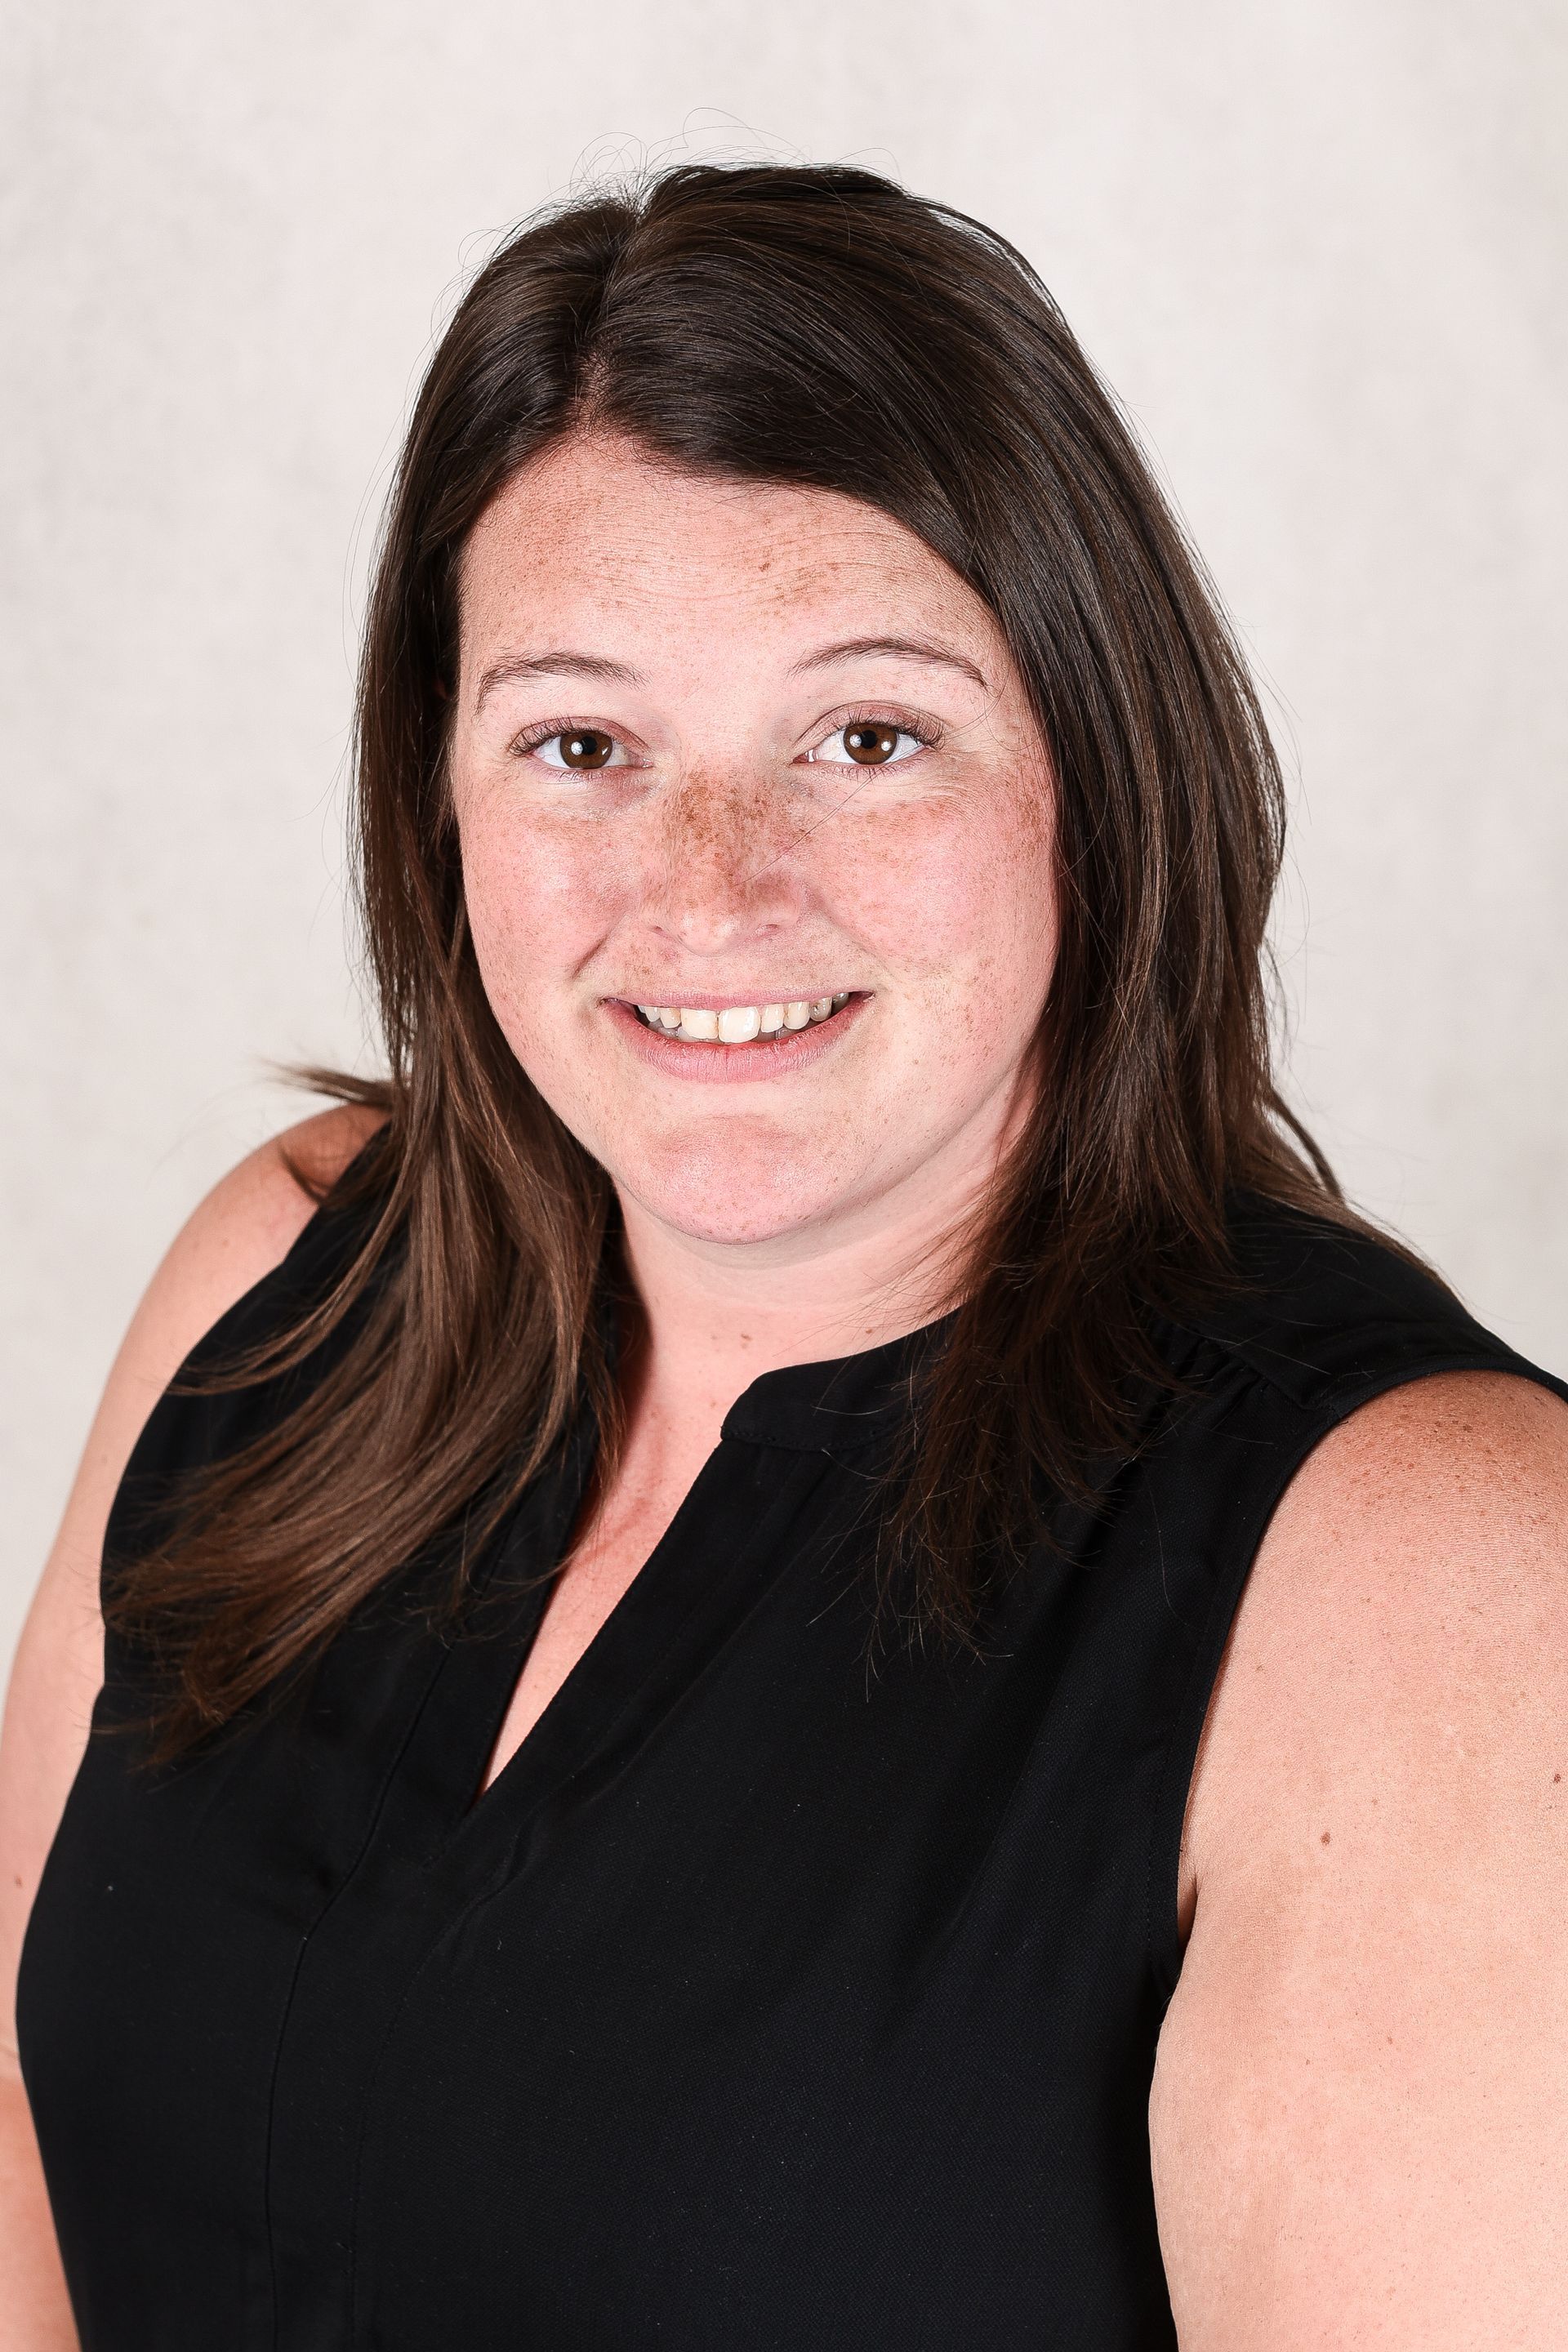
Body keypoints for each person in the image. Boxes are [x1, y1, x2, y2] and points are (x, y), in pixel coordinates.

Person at [2, 163, 1565, 2352]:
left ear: (1099, 774)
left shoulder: (1434, 1573)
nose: (711, 889)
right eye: (582, 745)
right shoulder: (286, 1285)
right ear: (437, 796)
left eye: (867, 737)